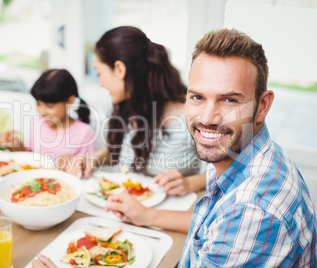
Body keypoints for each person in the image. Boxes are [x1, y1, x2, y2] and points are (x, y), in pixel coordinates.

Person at [104, 29, 317, 266]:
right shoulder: (243, 154)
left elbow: (235, 222)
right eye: (198, 97)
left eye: (229, 100)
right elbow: (209, 224)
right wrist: (147, 215)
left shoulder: (251, 211)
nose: (207, 118)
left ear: (262, 106)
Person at [58, 26, 205, 196]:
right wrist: (91, 160)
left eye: (100, 73)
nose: (101, 83)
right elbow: (119, 149)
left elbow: (226, 171)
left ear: (120, 69)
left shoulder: (191, 116)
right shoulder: (125, 105)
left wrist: (189, 183)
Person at [22, 69, 95, 158]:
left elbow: (87, 167)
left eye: (49, 106)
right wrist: (16, 147)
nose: (42, 112)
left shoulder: (84, 132)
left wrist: (71, 161)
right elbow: (29, 156)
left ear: (70, 101)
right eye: (38, 104)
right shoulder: (37, 122)